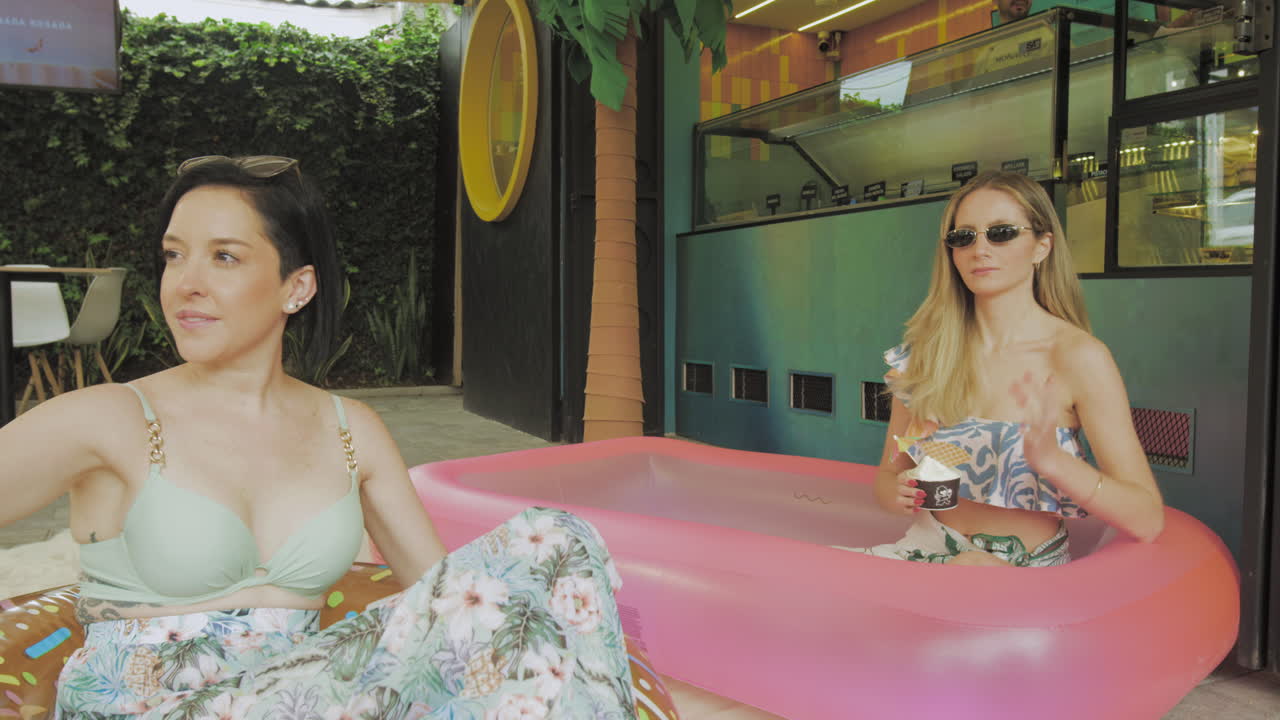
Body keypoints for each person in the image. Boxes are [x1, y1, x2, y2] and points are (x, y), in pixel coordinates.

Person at [0, 155, 635, 718]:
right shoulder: (109, 417)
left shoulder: (351, 429)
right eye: (173, 254)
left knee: (559, 539)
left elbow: (443, 599)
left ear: (296, 287)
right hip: (153, 701)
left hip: (301, 696)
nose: (185, 282)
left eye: (224, 256)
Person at [844, 170, 1164, 567]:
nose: (980, 249)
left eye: (1002, 232)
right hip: (927, 549)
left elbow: (1147, 520)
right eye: (964, 237)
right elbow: (887, 479)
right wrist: (897, 492)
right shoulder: (927, 354)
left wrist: (1056, 463)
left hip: (1023, 573)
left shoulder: (1079, 357)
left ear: (1041, 246)